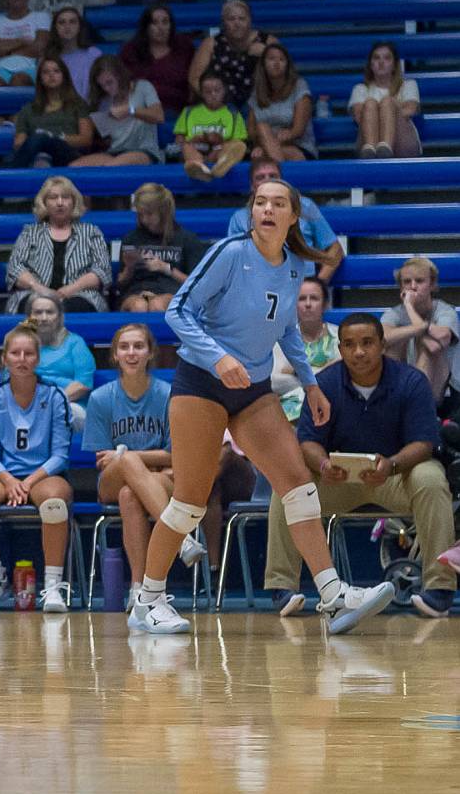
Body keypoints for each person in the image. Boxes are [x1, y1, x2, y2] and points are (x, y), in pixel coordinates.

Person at [126, 176, 393, 635]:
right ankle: (147, 599)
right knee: (189, 501)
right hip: (202, 383)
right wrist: (219, 357)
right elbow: (177, 312)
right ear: (252, 211)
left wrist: (310, 384)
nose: (267, 210)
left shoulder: (292, 267)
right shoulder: (230, 253)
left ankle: (331, 596)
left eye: (278, 204)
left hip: (252, 388)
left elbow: (286, 327)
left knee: (298, 484)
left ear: (293, 216)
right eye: (260, 202)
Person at [265, 313, 455, 618]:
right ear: (340, 350)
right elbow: (308, 442)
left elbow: (424, 444)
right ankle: (282, 587)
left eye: (367, 343)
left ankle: (439, 590)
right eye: (350, 345)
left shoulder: (410, 381)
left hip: (396, 477)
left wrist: (391, 465)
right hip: (339, 480)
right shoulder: (324, 383)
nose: (359, 351)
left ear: (382, 344)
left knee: (431, 477)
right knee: (289, 485)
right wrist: (324, 465)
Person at [0, 322, 75, 614]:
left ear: (38, 358)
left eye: (29, 353)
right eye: (15, 353)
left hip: (45, 474)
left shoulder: (54, 396)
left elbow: (60, 455)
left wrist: (27, 482)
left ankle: (52, 585)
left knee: (53, 503)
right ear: (5, 358)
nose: (22, 359)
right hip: (5, 474)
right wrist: (9, 479)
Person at [84, 323, 187, 608]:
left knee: (130, 494)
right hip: (112, 480)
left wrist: (126, 456)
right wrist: (134, 459)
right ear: (115, 355)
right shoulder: (101, 398)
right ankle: (181, 535)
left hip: (159, 479)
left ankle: (140, 589)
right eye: (124, 347)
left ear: (150, 353)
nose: (131, 352)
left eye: (138, 346)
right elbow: (102, 460)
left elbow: (175, 455)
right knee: (125, 463)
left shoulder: (168, 394)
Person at [5, 175, 111, 314]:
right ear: (44, 203)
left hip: (80, 295)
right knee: (36, 306)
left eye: (65, 197)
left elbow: (102, 270)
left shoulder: (91, 232)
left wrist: (70, 290)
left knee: (72, 308)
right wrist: (39, 288)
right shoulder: (30, 232)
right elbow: (15, 268)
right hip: (35, 293)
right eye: (53, 197)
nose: (60, 203)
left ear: (74, 202)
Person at [227, 158, 344, 282]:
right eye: (260, 177)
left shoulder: (304, 206)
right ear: (252, 186)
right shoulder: (239, 218)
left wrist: (318, 284)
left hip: (302, 287)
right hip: (259, 286)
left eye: (273, 176)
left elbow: (336, 249)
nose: (268, 180)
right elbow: (234, 260)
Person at [381, 256, 459, 405]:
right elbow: (382, 337)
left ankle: (417, 405)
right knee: (391, 344)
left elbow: (437, 343)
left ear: (432, 284)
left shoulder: (445, 311)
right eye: (407, 282)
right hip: (404, 385)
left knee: (428, 346)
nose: (413, 286)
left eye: (419, 281)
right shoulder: (394, 313)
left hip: (446, 390)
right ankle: (396, 404)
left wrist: (410, 308)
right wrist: (420, 328)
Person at [118, 183, 206, 313]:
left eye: (149, 214)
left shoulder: (186, 239)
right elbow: (120, 284)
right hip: (136, 292)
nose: (144, 219)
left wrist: (166, 268)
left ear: (163, 211)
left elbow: (196, 284)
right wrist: (129, 268)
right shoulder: (132, 238)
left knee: (157, 305)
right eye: (140, 214)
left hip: (171, 292)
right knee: (139, 306)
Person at [74, 53, 165, 167]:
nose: (106, 88)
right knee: (75, 167)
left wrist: (130, 110)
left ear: (120, 75)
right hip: (114, 151)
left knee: (112, 167)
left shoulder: (143, 87)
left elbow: (159, 116)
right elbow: (108, 140)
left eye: (109, 82)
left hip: (144, 151)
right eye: (102, 85)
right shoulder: (104, 100)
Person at [187, 0, 276, 111]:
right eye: (231, 19)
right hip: (220, 105)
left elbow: (284, 73)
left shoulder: (268, 42)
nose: (237, 23)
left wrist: (266, 55)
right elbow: (194, 78)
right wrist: (212, 98)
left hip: (259, 104)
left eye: (242, 19)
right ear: (223, 22)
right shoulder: (211, 43)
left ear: (250, 21)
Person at [271, 277, 339, 421]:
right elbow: (274, 381)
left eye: (314, 298)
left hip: (333, 407)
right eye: (302, 299)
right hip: (288, 409)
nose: (308, 304)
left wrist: (298, 372)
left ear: (325, 304)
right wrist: (323, 374)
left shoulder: (340, 336)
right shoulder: (282, 339)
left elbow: (341, 380)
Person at [9, 55, 92, 170]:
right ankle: (40, 161)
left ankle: (14, 175)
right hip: (36, 151)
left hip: (68, 154)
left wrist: (52, 137)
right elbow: (19, 143)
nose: (51, 75)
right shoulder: (28, 109)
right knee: (39, 142)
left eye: (56, 71)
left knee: (41, 138)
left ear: (64, 76)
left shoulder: (77, 104)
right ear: (40, 79)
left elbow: (86, 139)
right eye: (46, 72)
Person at [28, 290, 95, 432]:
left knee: (63, 412)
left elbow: (83, 385)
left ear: (59, 317)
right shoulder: (20, 345)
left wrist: (50, 404)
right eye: (38, 313)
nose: (44, 318)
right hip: (28, 406)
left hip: (70, 405)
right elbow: (9, 383)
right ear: (29, 317)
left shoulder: (75, 343)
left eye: (50, 312)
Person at [120, 2, 197, 118]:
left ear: (171, 25)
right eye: (154, 23)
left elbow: (195, 79)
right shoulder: (130, 50)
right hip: (141, 111)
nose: (160, 28)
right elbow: (122, 84)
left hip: (178, 110)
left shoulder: (184, 47)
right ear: (146, 27)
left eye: (165, 22)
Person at [350, 40, 421, 159]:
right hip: (368, 142)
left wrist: (385, 111)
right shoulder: (360, 89)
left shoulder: (408, 85)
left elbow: (411, 110)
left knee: (387, 102)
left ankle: (385, 149)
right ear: (370, 64)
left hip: (403, 140)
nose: (381, 62)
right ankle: (371, 149)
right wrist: (378, 112)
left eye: (387, 58)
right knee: (370, 103)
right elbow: (358, 117)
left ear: (394, 65)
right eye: (376, 58)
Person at [247, 43, 317, 164]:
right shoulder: (257, 92)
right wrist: (265, 143)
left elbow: (298, 131)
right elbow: (251, 131)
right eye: (271, 59)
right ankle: (280, 180)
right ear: (263, 64)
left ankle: (278, 180)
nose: (277, 63)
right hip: (267, 146)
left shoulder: (299, 86)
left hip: (299, 147)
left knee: (262, 156)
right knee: (262, 128)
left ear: (287, 65)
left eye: (281, 59)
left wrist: (267, 145)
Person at [174, 72, 247, 180]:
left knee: (238, 145)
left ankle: (220, 166)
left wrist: (218, 140)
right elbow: (179, 139)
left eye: (217, 90)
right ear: (201, 93)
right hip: (195, 150)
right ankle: (199, 168)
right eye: (208, 92)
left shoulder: (234, 114)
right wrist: (194, 140)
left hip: (219, 150)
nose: (213, 95)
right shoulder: (189, 112)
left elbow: (236, 141)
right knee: (186, 148)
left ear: (224, 91)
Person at [44, 6, 103, 101]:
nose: (67, 27)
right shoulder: (47, 58)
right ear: (55, 28)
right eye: (62, 22)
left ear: (80, 27)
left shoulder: (94, 54)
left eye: (72, 22)